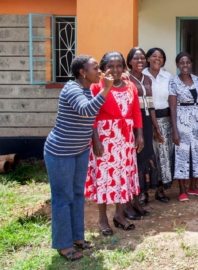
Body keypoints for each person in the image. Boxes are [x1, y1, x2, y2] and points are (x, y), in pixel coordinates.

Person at [44, 55, 113, 261]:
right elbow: (86, 110)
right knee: (62, 198)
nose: (99, 71)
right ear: (82, 72)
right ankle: (63, 245)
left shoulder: (86, 89)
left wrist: (103, 85)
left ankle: (77, 238)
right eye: (95, 68)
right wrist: (106, 88)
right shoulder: (72, 89)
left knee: (77, 195)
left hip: (80, 150)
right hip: (60, 152)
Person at [85, 52, 143, 235]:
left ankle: (119, 215)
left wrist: (139, 134)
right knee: (104, 176)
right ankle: (102, 219)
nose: (115, 70)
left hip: (125, 139)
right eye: (111, 66)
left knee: (123, 175)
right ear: (103, 69)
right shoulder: (97, 86)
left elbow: (136, 112)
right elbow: (92, 115)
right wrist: (95, 140)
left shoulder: (130, 86)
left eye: (119, 66)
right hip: (105, 138)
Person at [126, 47, 160, 217]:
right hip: (131, 124)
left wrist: (155, 126)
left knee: (145, 158)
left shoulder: (147, 79)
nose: (139, 62)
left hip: (145, 122)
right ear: (129, 61)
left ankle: (138, 199)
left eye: (141, 59)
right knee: (133, 160)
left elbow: (151, 106)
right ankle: (129, 202)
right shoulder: (126, 78)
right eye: (135, 58)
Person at [169, 52, 198, 201]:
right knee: (182, 153)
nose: (185, 65)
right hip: (181, 119)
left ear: (191, 64)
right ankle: (182, 190)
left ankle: (193, 186)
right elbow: (172, 107)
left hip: (196, 119)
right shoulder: (173, 82)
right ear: (178, 65)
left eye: (188, 63)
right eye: (182, 63)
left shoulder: (197, 79)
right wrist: (175, 130)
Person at [143, 47, 173, 203]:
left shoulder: (167, 76)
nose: (157, 59)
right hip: (146, 119)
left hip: (164, 120)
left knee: (163, 155)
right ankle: (144, 192)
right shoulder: (142, 76)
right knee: (147, 155)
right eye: (154, 56)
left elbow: (172, 101)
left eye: (161, 57)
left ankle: (161, 190)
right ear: (148, 58)